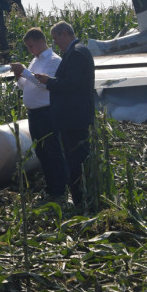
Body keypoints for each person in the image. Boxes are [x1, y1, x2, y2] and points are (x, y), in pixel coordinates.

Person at [35, 21, 96, 208]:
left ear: (64, 34)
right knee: (75, 158)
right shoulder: (79, 51)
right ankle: (81, 197)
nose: (56, 43)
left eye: (55, 39)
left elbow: (71, 83)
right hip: (75, 116)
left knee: (76, 159)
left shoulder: (76, 53)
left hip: (74, 117)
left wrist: (49, 82)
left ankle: (81, 199)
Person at [10, 28, 66, 201]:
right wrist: (19, 77)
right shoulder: (34, 62)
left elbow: (45, 84)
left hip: (47, 112)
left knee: (53, 151)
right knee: (41, 152)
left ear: (41, 41)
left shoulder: (54, 60)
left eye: (31, 46)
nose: (30, 50)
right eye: (28, 47)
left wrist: (25, 71)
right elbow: (28, 86)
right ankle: (51, 187)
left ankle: (60, 189)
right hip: (34, 114)